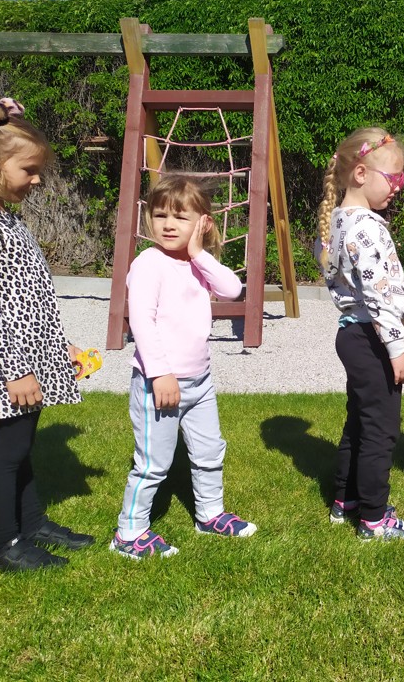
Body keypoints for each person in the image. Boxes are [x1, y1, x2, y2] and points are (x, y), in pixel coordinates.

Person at [111, 174, 256, 559]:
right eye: (160, 216)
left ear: (203, 223)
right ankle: (128, 532)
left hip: (200, 382)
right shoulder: (149, 263)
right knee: (153, 463)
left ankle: (209, 515)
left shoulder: (197, 264)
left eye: (180, 217)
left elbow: (232, 290)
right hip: (159, 383)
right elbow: (141, 321)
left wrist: (198, 252)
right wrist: (160, 373)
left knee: (210, 452)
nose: (169, 224)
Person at [0, 98, 93, 572]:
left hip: (27, 356)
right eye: (29, 169)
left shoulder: (4, 217)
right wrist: (16, 370)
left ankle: (31, 524)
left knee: (21, 447)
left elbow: (27, 295)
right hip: (5, 365)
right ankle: (2, 546)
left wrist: (57, 344)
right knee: (6, 453)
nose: (37, 179)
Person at [317, 128, 404, 541]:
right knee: (381, 430)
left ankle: (345, 499)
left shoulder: (337, 222)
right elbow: (378, 296)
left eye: (402, 179)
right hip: (372, 337)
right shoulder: (366, 227)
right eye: (393, 178)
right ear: (360, 173)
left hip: (353, 334)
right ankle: (375, 518)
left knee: (359, 422)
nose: (399, 187)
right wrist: (397, 349)